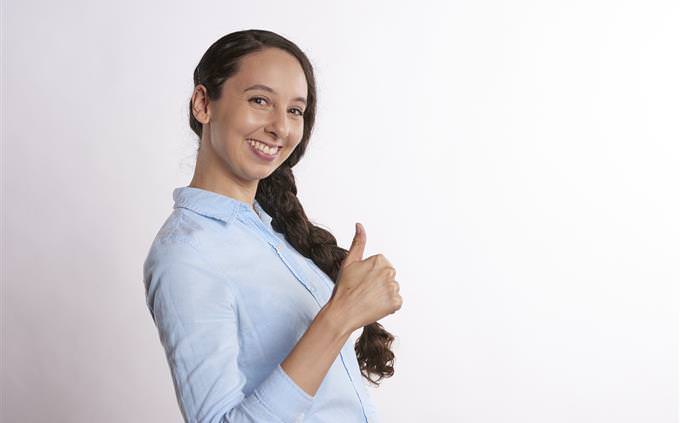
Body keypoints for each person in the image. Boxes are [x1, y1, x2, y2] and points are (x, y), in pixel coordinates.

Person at [143, 29, 403, 423]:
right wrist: (339, 316)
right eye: (260, 101)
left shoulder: (272, 230)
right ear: (203, 103)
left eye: (295, 110)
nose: (281, 127)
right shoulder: (186, 255)